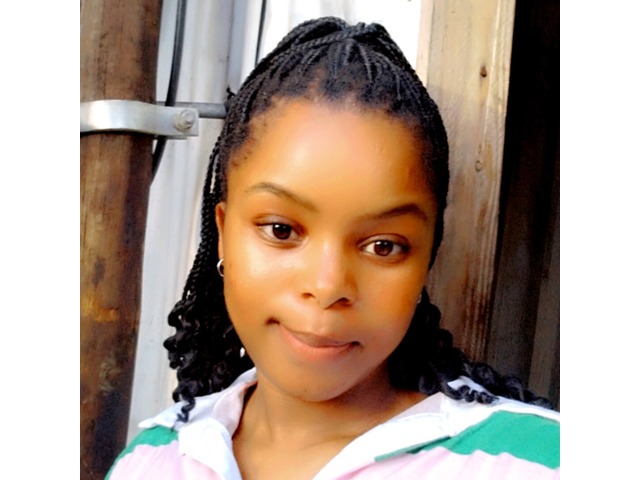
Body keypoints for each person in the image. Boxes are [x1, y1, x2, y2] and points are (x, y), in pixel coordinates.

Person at [107, 17, 559, 480]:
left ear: (428, 257)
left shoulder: (538, 464)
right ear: (223, 232)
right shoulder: (148, 461)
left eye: (383, 246)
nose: (327, 287)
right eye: (281, 230)